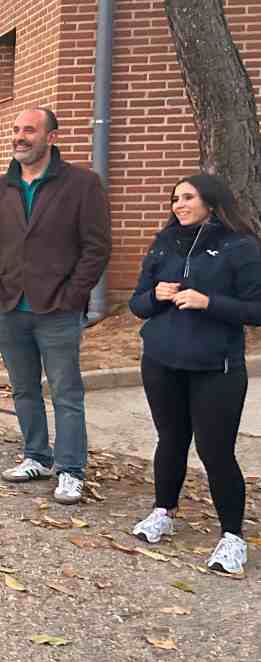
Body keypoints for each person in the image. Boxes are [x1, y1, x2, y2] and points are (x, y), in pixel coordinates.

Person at [0, 107, 111, 504]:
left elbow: (96, 248)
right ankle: (36, 455)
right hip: (9, 306)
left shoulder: (83, 184)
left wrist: (73, 295)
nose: (20, 136)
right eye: (16, 129)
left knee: (67, 393)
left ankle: (70, 469)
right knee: (23, 389)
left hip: (58, 309)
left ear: (51, 137)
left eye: (29, 130)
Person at [128, 175, 261, 575]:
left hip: (215, 367)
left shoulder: (241, 247)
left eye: (187, 197)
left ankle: (232, 537)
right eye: (174, 199)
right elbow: (138, 303)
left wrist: (209, 302)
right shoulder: (163, 242)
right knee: (170, 440)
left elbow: (257, 310)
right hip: (161, 361)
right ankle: (163, 512)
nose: (178, 204)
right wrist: (157, 296)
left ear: (211, 201)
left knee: (214, 450)